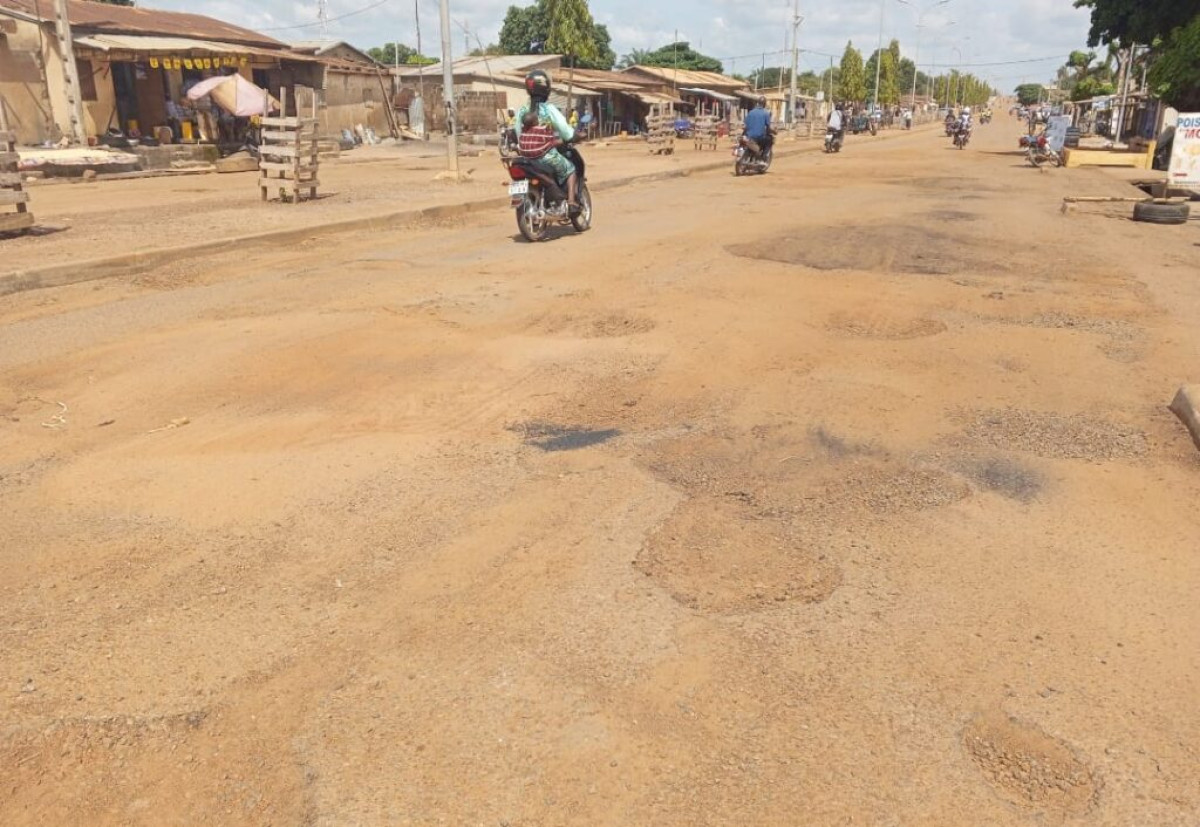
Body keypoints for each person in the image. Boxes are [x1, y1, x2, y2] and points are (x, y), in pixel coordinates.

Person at [514, 70, 579, 211]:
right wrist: (573, 136)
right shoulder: (549, 109)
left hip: (525, 157)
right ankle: (572, 203)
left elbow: (517, 134)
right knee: (571, 170)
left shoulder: (522, 110)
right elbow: (567, 132)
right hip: (545, 157)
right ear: (546, 89)